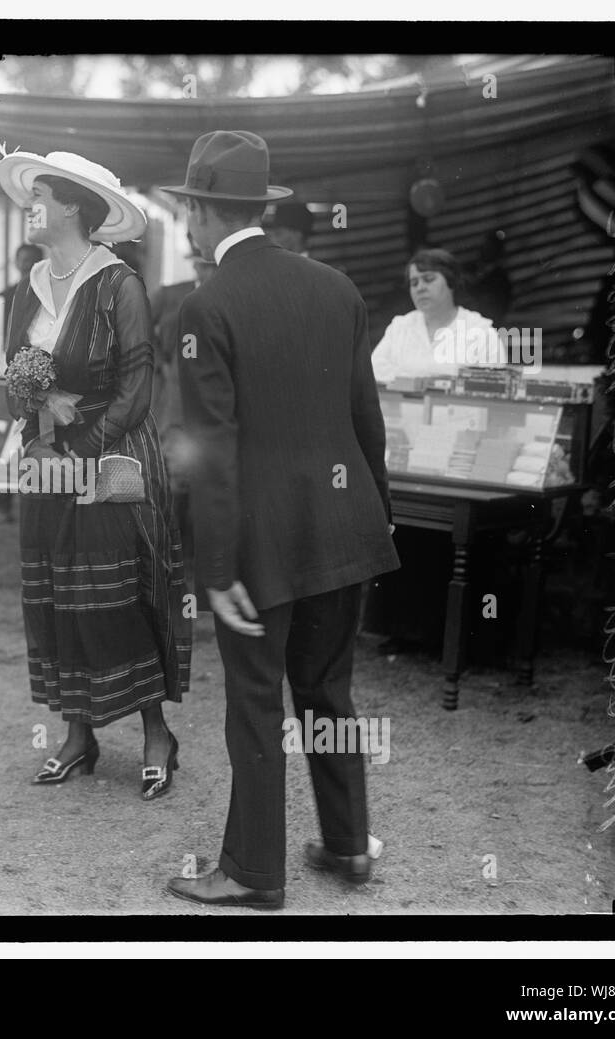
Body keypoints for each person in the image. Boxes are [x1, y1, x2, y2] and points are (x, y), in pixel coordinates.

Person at [161, 131, 399, 909]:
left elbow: (212, 451)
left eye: (187, 211)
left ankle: (253, 873)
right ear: (258, 207)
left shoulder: (208, 305)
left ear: (198, 212)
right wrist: (381, 520)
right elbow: (367, 421)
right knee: (329, 693)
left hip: (261, 545)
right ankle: (346, 844)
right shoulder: (338, 288)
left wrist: (217, 568)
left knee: (257, 705)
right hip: (347, 528)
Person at [0, 148, 191, 799]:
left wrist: (77, 448)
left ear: (74, 205)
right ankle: (79, 735)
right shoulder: (29, 285)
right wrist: (33, 423)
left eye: (41, 196)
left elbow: (139, 386)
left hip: (111, 463)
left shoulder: (119, 285)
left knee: (117, 599)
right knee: (55, 598)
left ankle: (157, 733)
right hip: (46, 468)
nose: (31, 207)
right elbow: (14, 374)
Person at [148, 237, 216, 592]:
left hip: (213, 399)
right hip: (175, 394)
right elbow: (137, 325)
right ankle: (174, 556)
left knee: (206, 476)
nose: (205, 269)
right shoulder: (172, 294)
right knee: (174, 474)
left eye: (211, 263)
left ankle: (199, 558)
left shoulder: (228, 295)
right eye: (201, 262)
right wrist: (159, 361)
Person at [370, 248, 498, 383]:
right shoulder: (399, 327)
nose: (420, 288)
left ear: (451, 282)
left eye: (428, 279)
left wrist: (407, 375)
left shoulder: (481, 331)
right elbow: (372, 373)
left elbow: (495, 388)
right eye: (414, 283)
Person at [0, 244, 45, 524]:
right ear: (16, 262)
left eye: (30, 262)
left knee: (20, 440)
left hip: (32, 377)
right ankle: (2, 498)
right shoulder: (5, 296)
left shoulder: (47, 294)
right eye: (22, 262)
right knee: (10, 443)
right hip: (7, 374)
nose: (26, 266)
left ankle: (12, 496)